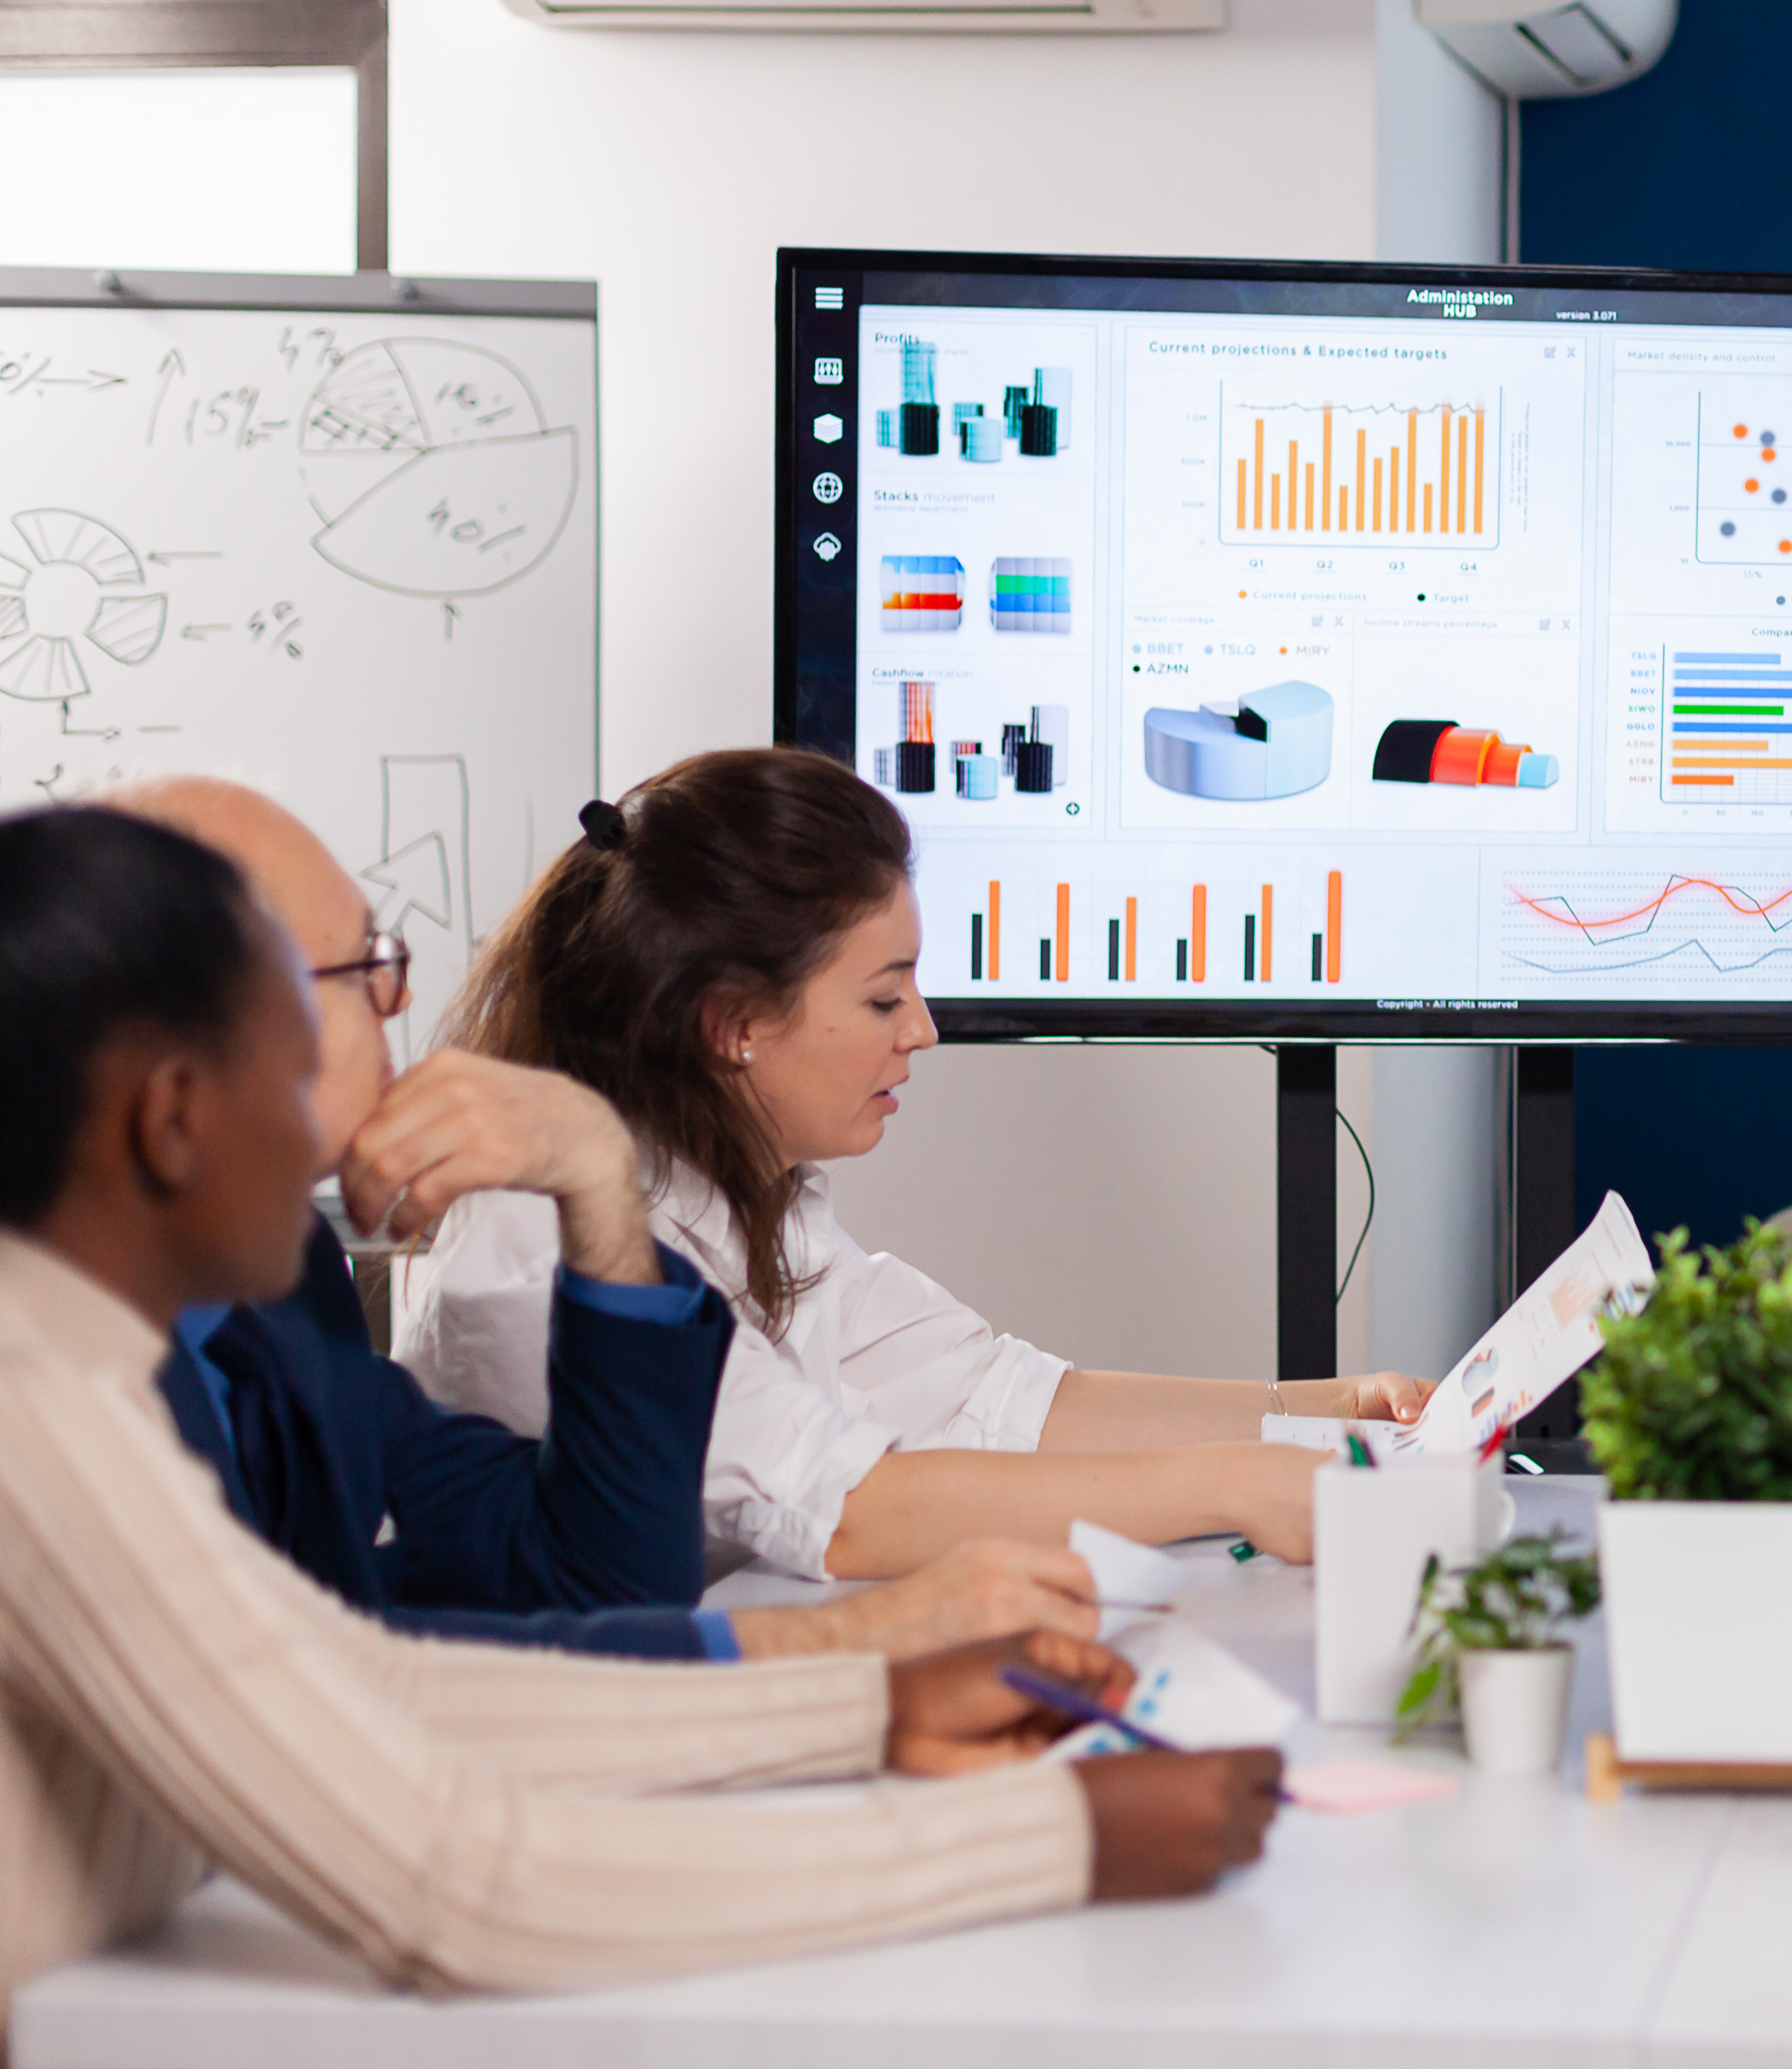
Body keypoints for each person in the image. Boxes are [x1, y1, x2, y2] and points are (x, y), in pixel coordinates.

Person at [0, 804, 1281, 2035]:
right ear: (172, 1117)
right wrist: (1056, 1838)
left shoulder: (155, 1338)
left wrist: (870, 1706)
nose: (376, 1092)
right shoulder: (33, 1399)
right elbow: (453, 1881)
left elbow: (357, 1684)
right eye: (309, 1042)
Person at [116, 776, 1104, 1661]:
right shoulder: (65, 1368)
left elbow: (611, 1575)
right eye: (358, 973)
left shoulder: (287, 1292)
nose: (395, 1006)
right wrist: (853, 1660)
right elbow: (312, 1679)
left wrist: (596, 1182)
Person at [397, 748, 1430, 1580]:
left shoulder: (742, 1188)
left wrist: (1333, 1408)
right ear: (735, 1023)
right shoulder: (543, 1239)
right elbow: (850, 1513)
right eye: (886, 997)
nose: (924, 1031)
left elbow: (1004, 1398)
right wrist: (1242, 1484)